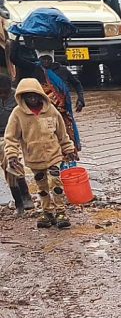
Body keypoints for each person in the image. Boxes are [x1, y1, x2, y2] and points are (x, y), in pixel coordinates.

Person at [3, 77, 77, 229]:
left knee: (56, 182)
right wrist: (12, 155)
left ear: (40, 95)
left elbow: (62, 133)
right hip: (34, 158)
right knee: (42, 186)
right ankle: (47, 212)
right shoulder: (18, 114)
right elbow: (11, 137)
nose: (32, 99)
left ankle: (61, 211)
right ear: (22, 98)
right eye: (28, 96)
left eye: (34, 95)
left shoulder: (51, 111)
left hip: (54, 155)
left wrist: (69, 149)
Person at [38, 55, 83, 156]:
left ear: (52, 59)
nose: (46, 61)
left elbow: (77, 84)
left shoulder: (62, 70)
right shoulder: (36, 71)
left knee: (66, 135)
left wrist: (80, 99)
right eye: (43, 59)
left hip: (62, 110)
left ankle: (70, 156)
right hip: (45, 112)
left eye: (48, 59)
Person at [0, 74, 31, 215]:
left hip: (15, 135)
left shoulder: (18, 98)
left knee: (11, 160)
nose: (3, 95)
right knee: (7, 165)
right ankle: (23, 197)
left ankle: (21, 200)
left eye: (5, 92)